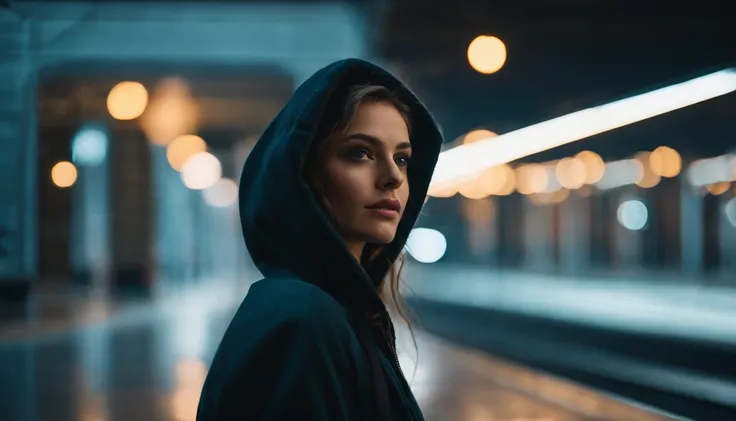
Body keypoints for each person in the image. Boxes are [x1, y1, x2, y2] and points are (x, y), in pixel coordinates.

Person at [196, 58, 443, 421]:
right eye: (360, 153)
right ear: (304, 174)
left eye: (402, 158)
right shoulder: (301, 318)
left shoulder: (334, 309)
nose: (393, 176)